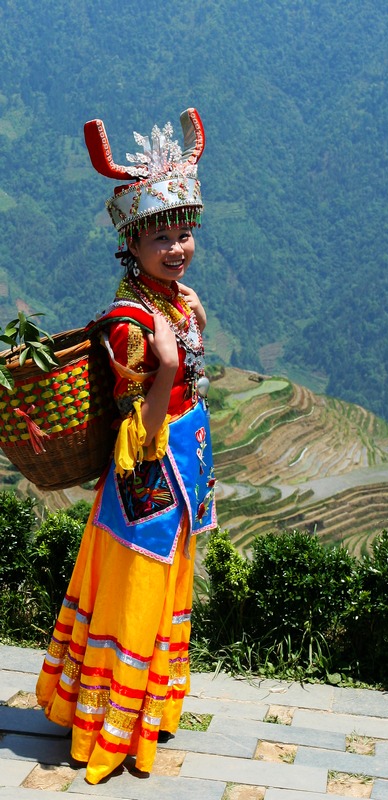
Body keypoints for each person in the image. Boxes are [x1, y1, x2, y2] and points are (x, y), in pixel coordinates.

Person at [36, 108, 217, 785]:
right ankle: (114, 731)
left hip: (184, 460)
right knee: (138, 585)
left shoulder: (171, 300)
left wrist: (188, 334)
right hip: (149, 468)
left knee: (166, 577)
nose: (176, 247)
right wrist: (168, 366)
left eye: (183, 232)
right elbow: (136, 422)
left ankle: (149, 706)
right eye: (160, 238)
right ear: (131, 247)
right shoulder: (130, 324)